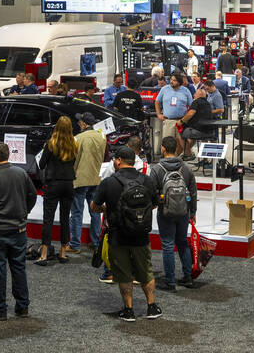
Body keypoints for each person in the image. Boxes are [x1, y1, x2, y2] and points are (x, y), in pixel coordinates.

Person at [92, 146, 161, 322]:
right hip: (141, 234)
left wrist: (106, 209)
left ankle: (128, 310)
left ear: (118, 160)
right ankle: (152, 307)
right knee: (146, 271)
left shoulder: (109, 182)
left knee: (123, 274)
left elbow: (94, 206)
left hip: (118, 235)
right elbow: (154, 203)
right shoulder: (146, 180)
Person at [0, 142, 37, 320]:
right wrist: (24, 211)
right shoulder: (21, 173)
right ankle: (22, 306)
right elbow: (32, 195)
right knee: (19, 268)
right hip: (18, 229)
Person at [149, 136, 197, 290]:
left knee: (168, 245)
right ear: (177, 149)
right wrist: (192, 212)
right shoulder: (186, 168)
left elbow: (151, 191)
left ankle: (170, 281)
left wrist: (156, 203)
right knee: (183, 242)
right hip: (183, 211)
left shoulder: (156, 169)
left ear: (163, 148)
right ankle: (188, 277)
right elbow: (193, 193)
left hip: (165, 212)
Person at [37, 116, 78, 265]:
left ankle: (44, 254)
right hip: (68, 184)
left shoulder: (50, 144)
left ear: (57, 127)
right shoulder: (74, 145)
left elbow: (41, 165)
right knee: (65, 218)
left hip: (53, 183)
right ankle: (62, 253)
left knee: (48, 218)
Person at [70, 112, 106, 254]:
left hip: (81, 179)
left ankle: (75, 244)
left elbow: (74, 160)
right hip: (96, 178)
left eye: (80, 122)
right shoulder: (102, 137)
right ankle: (95, 242)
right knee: (95, 211)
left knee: (77, 212)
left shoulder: (78, 138)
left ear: (84, 124)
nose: (79, 124)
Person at [155, 73, 193, 149]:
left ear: (179, 82)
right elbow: (157, 102)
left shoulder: (186, 91)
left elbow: (191, 105)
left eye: (174, 80)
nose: (172, 81)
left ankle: (178, 158)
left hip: (181, 121)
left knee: (181, 143)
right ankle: (167, 159)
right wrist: (159, 114)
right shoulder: (164, 89)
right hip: (168, 121)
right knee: (167, 143)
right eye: (171, 80)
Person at [178, 85, 216, 158]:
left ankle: (188, 154)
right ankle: (204, 159)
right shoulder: (208, 104)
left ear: (199, 95)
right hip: (209, 132)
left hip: (199, 131)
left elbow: (191, 113)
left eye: (195, 93)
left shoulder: (196, 102)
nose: (193, 95)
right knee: (192, 136)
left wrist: (181, 121)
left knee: (180, 135)